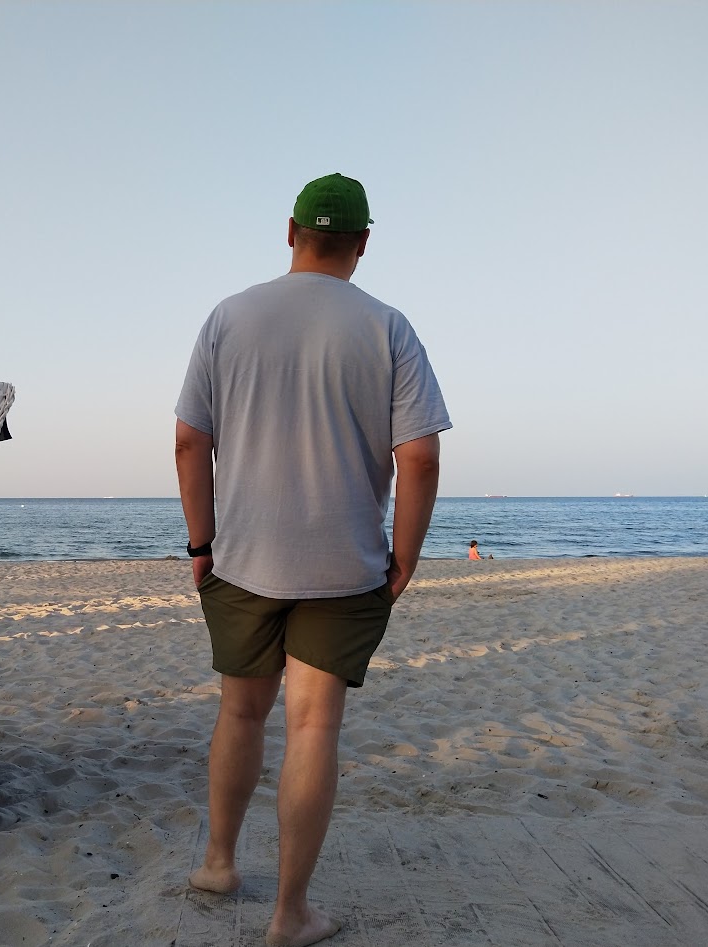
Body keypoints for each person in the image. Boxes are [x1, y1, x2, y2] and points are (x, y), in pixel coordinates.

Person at [174, 173, 452, 947]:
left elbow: (189, 441)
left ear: (289, 229)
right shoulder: (387, 327)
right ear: (363, 241)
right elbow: (420, 458)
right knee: (312, 726)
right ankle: (289, 913)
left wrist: (201, 542)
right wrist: (404, 555)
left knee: (239, 710)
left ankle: (219, 863)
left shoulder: (230, 316)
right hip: (343, 563)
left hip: (243, 556)